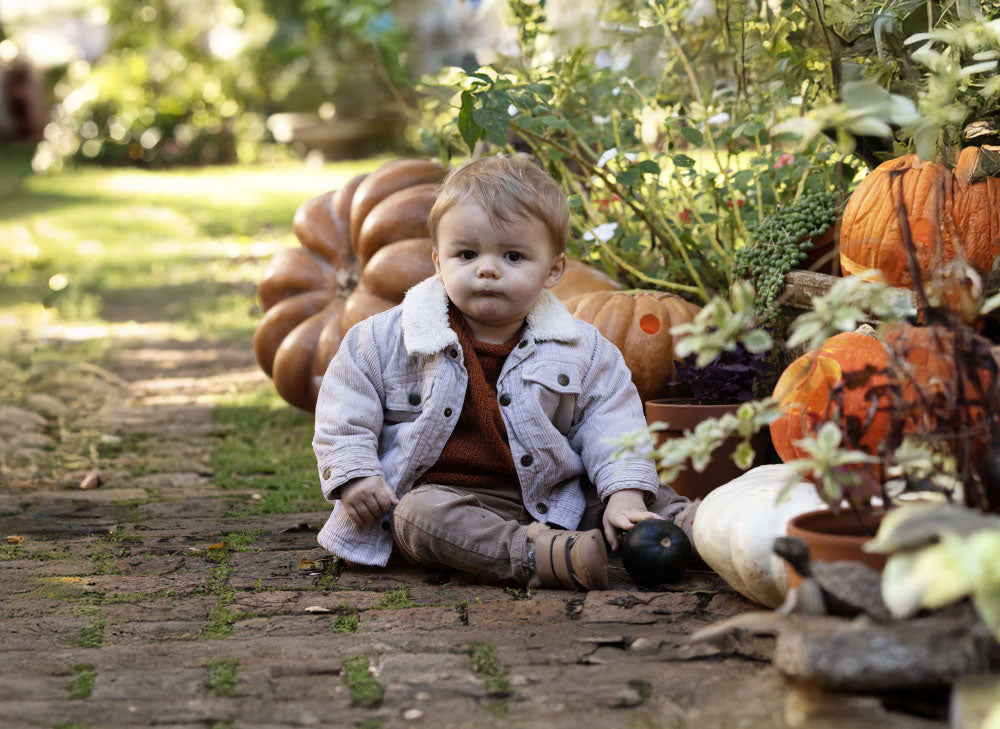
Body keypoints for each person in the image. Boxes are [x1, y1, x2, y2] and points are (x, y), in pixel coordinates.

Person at [312, 154, 696, 590]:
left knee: (635, 491)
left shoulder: (584, 350)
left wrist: (624, 492)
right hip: (447, 498)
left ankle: (701, 529)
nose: (487, 268)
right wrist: (356, 475)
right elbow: (343, 410)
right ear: (438, 262)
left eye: (513, 255)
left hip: (553, 491)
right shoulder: (382, 340)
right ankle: (537, 555)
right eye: (467, 254)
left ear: (553, 269)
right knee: (417, 517)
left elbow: (613, 423)